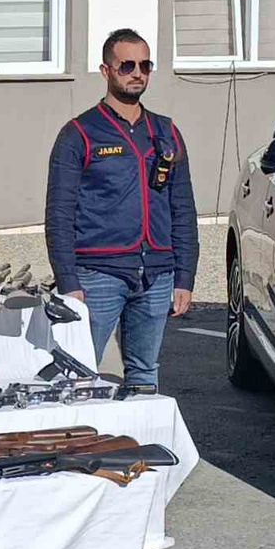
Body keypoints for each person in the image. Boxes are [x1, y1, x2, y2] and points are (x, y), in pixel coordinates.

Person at [44, 28, 199, 391]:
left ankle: (141, 428)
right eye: (127, 65)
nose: (137, 73)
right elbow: (59, 215)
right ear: (106, 71)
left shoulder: (166, 132)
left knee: (145, 375)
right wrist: (68, 282)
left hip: (156, 275)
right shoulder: (79, 134)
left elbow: (183, 208)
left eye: (145, 65)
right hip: (98, 275)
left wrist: (184, 277)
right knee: (78, 376)